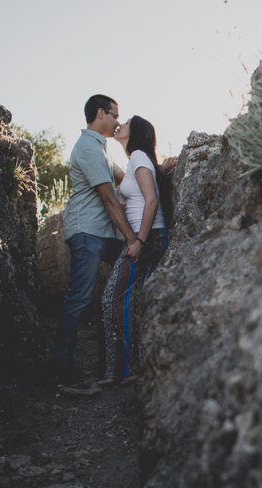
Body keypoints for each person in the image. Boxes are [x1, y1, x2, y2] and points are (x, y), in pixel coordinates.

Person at [54, 94, 142, 385]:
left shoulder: (102, 149)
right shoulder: (88, 148)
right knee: (78, 298)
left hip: (102, 233)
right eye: (115, 115)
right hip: (87, 232)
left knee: (128, 278)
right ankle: (63, 368)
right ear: (101, 113)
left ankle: (115, 363)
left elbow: (124, 179)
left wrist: (157, 170)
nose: (118, 121)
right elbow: (109, 199)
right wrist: (132, 238)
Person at [98, 115, 175, 386]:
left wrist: (139, 241)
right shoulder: (138, 159)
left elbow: (151, 201)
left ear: (137, 132)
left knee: (111, 298)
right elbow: (145, 192)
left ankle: (123, 369)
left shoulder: (139, 156)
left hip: (148, 238)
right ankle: (129, 368)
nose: (121, 123)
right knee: (132, 300)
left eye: (128, 121)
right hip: (147, 237)